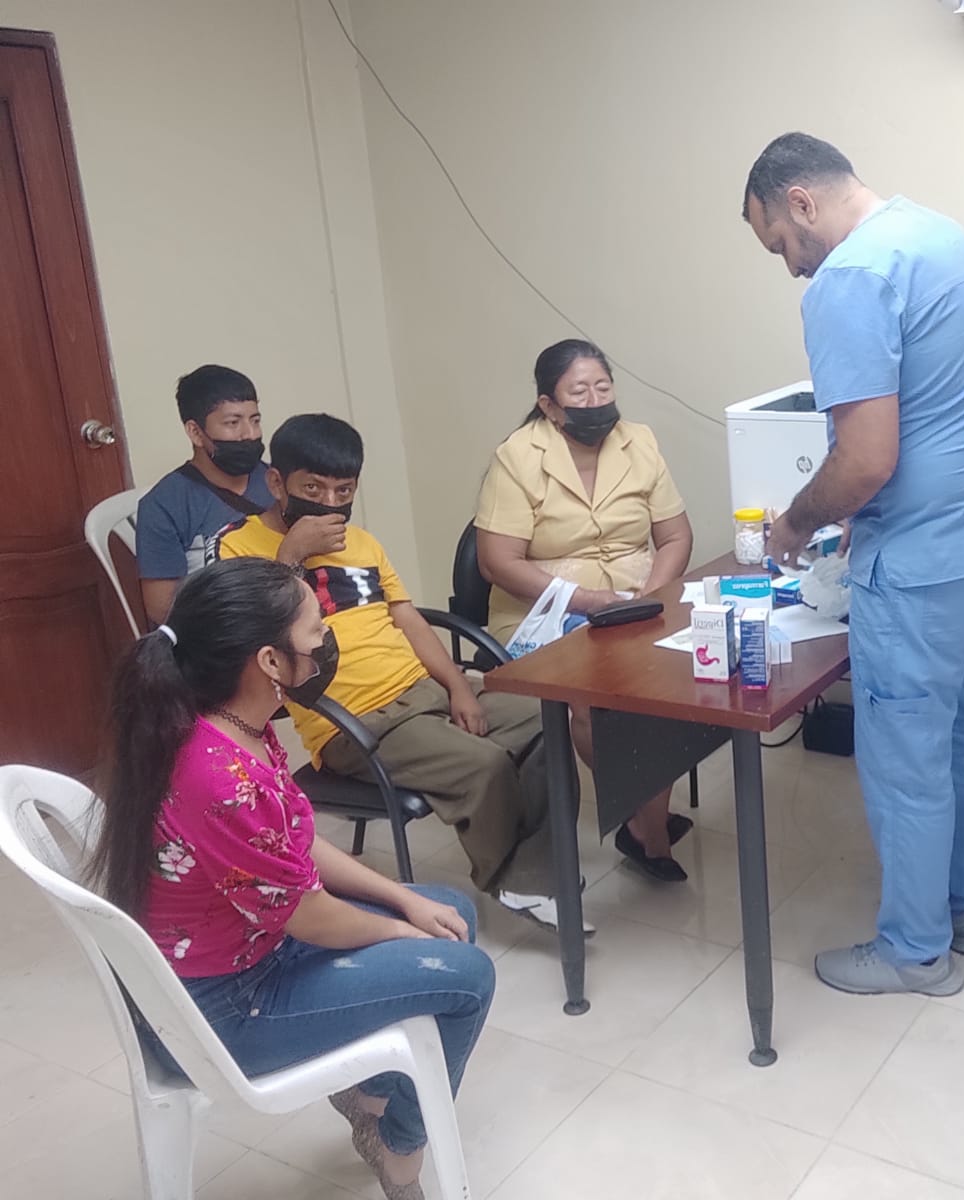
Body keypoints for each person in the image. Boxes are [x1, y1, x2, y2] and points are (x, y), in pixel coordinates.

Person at [89, 558, 494, 1200]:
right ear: (270, 661)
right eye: (315, 631)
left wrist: (401, 901)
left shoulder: (236, 724)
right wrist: (400, 930)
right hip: (218, 1012)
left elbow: (297, 843)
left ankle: (370, 1094)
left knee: (449, 912)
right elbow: (310, 916)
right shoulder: (219, 777)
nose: (326, 640)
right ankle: (399, 1147)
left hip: (251, 948)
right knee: (467, 977)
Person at [744, 134, 964, 995]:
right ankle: (959, 913)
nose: (791, 266)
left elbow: (865, 459)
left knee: (905, 762)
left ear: (801, 202)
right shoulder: (938, 236)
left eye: (780, 242)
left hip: (924, 563)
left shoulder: (850, 277)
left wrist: (797, 522)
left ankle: (914, 952)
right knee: (952, 733)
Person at [211, 414, 582, 931]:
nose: (330, 502)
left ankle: (537, 870)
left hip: (421, 693)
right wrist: (291, 556)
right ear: (277, 483)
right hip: (353, 721)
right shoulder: (237, 546)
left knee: (548, 721)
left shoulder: (363, 544)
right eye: (312, 489)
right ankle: (519, 879)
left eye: (343, 490)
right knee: (487, 765)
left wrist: (458, 687)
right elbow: (260, 644)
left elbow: (409, 620)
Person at [475, 339, 696, 880]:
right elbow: (496, 562)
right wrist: (588, 600)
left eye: (603, 387)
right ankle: (649, 829)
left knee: (679, 685)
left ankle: (642, 819)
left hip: (637, 601)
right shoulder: (518, 456)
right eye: (579, 392)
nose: (595, 401)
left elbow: (675, 537)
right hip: (546, 611)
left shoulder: (639, 442)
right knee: (601, 702)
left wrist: (650, 597)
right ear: (549, 405)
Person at [136, 365, 275, 624]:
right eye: (233, 423)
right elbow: (162, 610)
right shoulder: (163, 506)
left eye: (255, 420)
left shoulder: (277, 482)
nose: (249, 434)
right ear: (195, 432)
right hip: (220, 631)